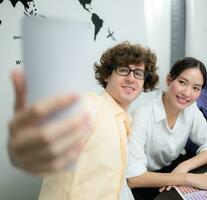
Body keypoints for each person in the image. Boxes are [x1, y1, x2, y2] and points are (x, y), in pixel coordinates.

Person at [8, 41, 159, 199]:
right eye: (123, 70)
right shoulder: (91, 106)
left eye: (138, 73)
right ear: (107, 75)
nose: (131, 78)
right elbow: (47, 143)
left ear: (143, 84)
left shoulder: (125, 121)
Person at [126, 57, 207, 200]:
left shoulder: (190, 108)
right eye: (182, 82)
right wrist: (186, 178)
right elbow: (133, 178)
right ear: (169, 80)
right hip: (144, 183)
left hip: (173, 171)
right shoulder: (142, 115)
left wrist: (184, 167)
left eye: (196, 88)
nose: (187, 93)